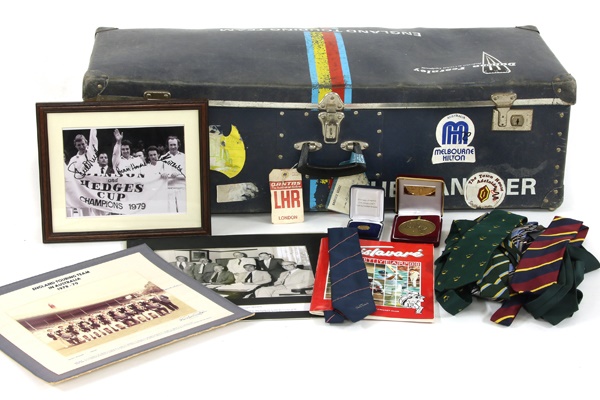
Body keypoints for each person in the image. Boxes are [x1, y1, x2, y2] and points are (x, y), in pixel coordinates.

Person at [159, 136, 186, 213]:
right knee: (171, 211)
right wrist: (162, 173)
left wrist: (178, 173)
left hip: (182, 188)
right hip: (168, 188)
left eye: (174, 145)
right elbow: (159, 171)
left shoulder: (184, 156)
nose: (173, 147)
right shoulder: (163, 157)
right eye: (171, 145)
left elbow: (189, 171)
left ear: (178, 145)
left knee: (182, 210)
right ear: (168, 146)